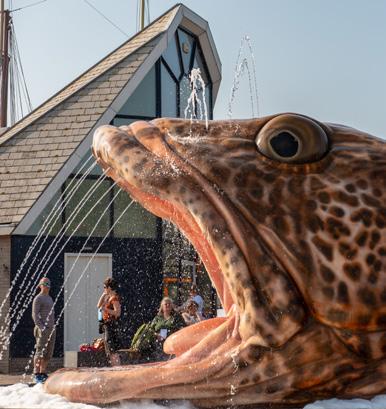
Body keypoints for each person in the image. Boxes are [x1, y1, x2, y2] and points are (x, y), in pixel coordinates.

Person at [32, 277, 56, 384]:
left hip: (51, 329)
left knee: (48, 353)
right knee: (40, 351)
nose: (47, 286)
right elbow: (35, 315)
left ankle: (42, 372)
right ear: (40, 285)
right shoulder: (38, 298)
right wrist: (41, 327)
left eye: (49, 284)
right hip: (42, 329)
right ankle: (36, 373)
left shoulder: (50, 298)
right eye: (45, 284)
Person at [98, 277, 121, 366]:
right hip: (107, 325)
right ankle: (114, 366)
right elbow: (98, 305)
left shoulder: (114, 298)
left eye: (105, 287)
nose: (104, 289)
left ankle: (117, 367)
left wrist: (106, 309)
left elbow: (117, 313)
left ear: (109, 288)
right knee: (109, 348)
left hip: (112, 325)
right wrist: (104, 294)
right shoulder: (109, 297)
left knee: (112, 348)